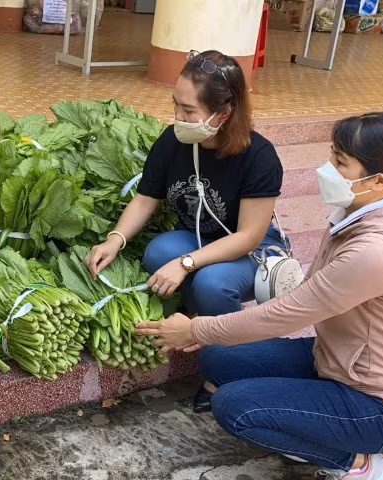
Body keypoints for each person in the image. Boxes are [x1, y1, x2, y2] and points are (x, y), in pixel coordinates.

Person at [135, 112, 383, 480]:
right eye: (331, 155)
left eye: (340, 162)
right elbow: (311, 294)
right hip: (332, 360)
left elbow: (287, 315)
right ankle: (302, 415)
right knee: (218, 360)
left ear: (378, 181)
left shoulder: (377, 251)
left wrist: (195, 329)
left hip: (379, 405)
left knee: (235, 407)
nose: (327, 168)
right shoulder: (358, 213)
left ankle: (357, 464)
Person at [86, 49, 287, 411]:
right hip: (199, 236)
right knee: (158, 252)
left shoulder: (259, 156)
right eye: (175, 105)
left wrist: (187, 263)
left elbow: (248, 236)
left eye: (189, 110)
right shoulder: (173, 140)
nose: (178, 116)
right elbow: (146, 197)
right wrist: (114, 239)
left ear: (224, 112)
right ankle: (202, 320)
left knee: (212, 282)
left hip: (249, 249)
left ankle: (227, 368)